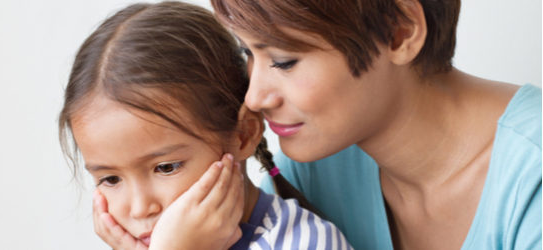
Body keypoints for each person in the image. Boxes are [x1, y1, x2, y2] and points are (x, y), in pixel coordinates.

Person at [210, 0, 541, 249]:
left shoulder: (531, 178)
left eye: (284, 61)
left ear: (399, 32)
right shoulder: (313, 172)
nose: (254, 98)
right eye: (247, 52)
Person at [58, 2, 352, 249]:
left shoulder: (303, 242)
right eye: (110, 179)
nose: (139, 208)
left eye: (166, 167)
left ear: (243, 135)